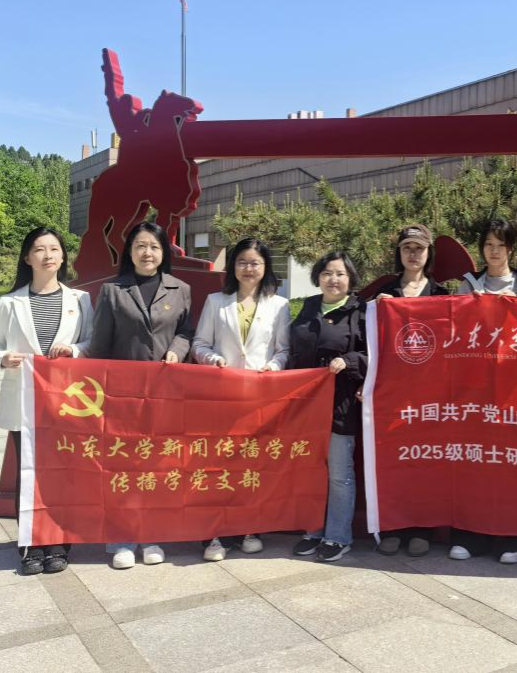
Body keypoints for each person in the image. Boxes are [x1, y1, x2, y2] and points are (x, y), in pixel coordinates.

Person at [0, 226, 93, 576]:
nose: (48, 255)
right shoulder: (8, 303)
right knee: (28, 474)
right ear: (27, 257)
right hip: (24, 400)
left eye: (54, 248)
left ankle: (59, 541)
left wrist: (74, 349)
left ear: (63, 256)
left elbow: (92, 342)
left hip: (66, 402)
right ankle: (31, 545)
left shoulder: (81, 300)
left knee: (62, 474)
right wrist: (3, 358)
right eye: (40, 249)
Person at [88, 221, 193, 569]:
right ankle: (122, 538)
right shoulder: (112, 291)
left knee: (158, 465)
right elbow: (99, 346)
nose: (148, 253)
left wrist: (177, 350)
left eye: (154, 246)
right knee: (124, 466)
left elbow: (186, 331)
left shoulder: (181, 289)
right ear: (130, 251)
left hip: (165, 394)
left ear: (164, 253)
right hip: (123, 396)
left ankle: (152, 535)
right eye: (140, 246)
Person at [450, 218, 517, 565]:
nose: (494, 251)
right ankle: (469, 536)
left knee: (509, 464)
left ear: (511, 249)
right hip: (474, 389)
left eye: (501, 245)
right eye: (488, 244)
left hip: (514, 391)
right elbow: (450, 326)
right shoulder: (467, 285)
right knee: (473, 461)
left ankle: (509, 538)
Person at [193, 238, 291, 562]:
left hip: (260, 398)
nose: (249, 268)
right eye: (242, 262)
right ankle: (215, 533)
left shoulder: (279, 305)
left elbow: (283, 350)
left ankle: (250, 528)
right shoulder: (215, 302)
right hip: (223, 397)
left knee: (252, 463)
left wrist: (273, 367)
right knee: (219, 463)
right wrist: (213, 359)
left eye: (255, 263)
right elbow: (199, 344)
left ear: (265, 268)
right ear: (233, 266)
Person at [375, 225, 451, 558]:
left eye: (419, 248)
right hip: (393, 390)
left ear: (428, 253)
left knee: (425, 461)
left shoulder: (442, 294)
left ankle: (421, 528)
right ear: (399, 252)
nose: (413, 254)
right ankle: (394, 526)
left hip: (429, 392)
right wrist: (378, 309)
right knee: (394, 460)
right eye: (407, 247)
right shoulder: (385, 293)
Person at [289, 251, 369, 562]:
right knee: (310, 471)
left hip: (341, 403)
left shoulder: (361, 310)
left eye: (339, 274)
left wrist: (349, 361)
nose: (332, 279)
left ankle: (337, 537)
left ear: (350, 278)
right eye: (326, 273)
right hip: (307, 404)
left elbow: (375, 353)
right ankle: (313, 530)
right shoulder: (308, 307)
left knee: (339, 473)